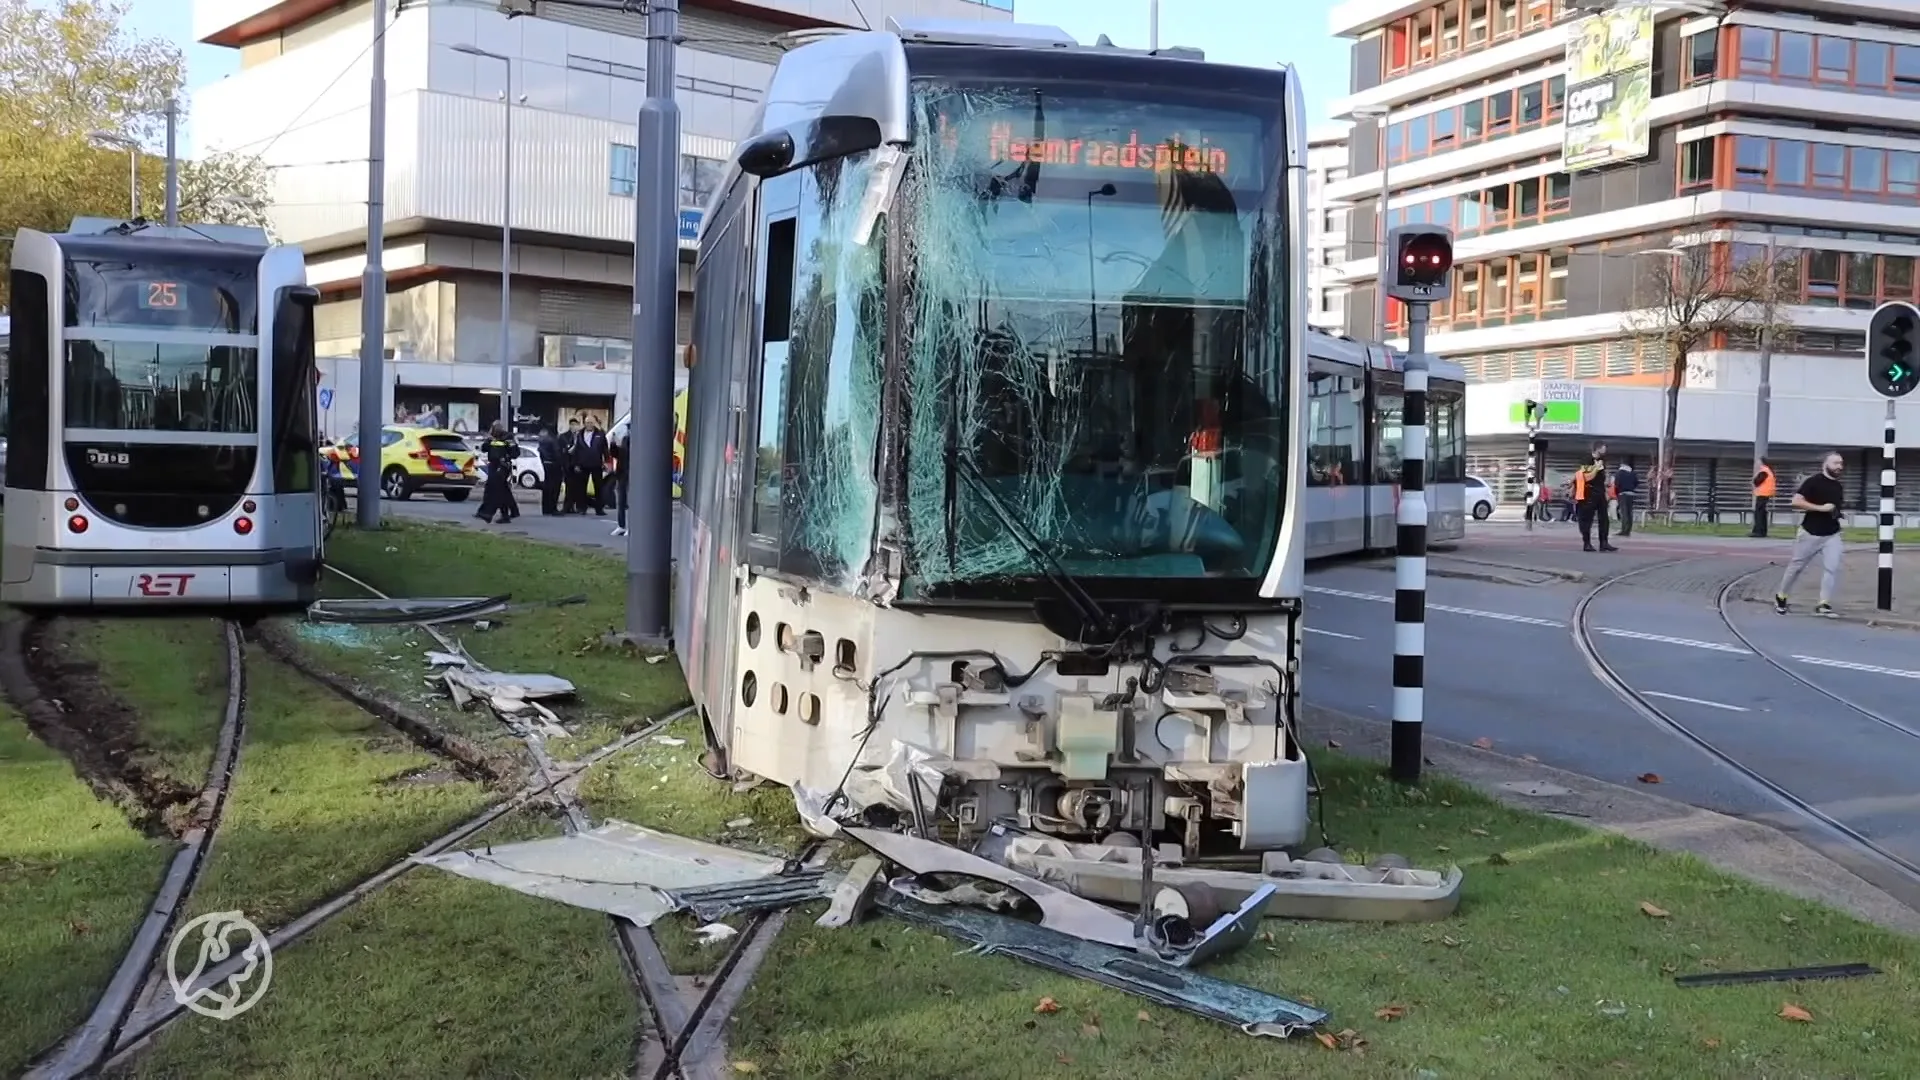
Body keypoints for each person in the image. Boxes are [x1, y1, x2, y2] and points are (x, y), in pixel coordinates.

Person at [1774, 452, 1846, 618]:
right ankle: (1781, 596)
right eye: (1836, 463)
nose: (1839, 467)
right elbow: (1796, 501)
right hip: (1810, 532)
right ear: (1825, 464)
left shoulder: (1838, 486)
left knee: (1832, 568)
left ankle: (1823, 604)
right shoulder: (1813, 482)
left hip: (1832, 534)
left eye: (1841, 464)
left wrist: (1838, 514)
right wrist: (1821, 508)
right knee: (1797, 567)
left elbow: (1833, 507)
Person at [1574, 443, 1616, 552]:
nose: (1605, 450)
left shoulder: (1603, 460)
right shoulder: (1586, 460)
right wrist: (1596, 468)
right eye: (1603, 448)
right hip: (1588, 492)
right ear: (1597, 449)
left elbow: (1602, 477)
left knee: (1604, 519)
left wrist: (1606, 488)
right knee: (1587, 519)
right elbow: (1586, 477)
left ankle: (1604, 543)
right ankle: (1587, 543)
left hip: (1600, 492)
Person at [476, 421, 520, 525]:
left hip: (503, 466)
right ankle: (511, 512)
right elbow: (484, 449)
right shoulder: (492, 438)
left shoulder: (508, 437)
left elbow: (515, 453)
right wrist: (488, 440)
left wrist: (506, 457)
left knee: (497, 490)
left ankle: (489, 513)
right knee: (502, 491)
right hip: (493, 465)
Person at [570, 414, 609, 516]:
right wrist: (576, 464)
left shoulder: (600, 434)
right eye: (587, 423)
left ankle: (599, 509)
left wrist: (606, 462)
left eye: (591, 422)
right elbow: (576, 450)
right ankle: (582, 508)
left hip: (596, 464)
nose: (589, 425)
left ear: (594, 423)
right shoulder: (579, 434)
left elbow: (605, 449)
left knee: (598, 487)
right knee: (581, 488)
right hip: (583, 464)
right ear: (584, 423)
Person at [560, 416, 584, 513]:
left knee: (578, 487)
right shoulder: (564, 436)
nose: (574, 427)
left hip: (579, 465)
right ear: (570, 426)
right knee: (569, 487)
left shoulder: (581, 436)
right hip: (568, 465)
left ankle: (576, 506)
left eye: (576, 425)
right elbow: (566, 451)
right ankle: (567, 506)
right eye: (572, 425)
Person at [609, 425, 631, 537]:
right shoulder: (625, 439)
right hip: (622, 473)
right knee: (621, 502)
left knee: (631, 502)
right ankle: (621, 526)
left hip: (631, 474)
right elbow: (617, 455)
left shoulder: (636, 440)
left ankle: (631, 527)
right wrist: (613, 444)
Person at [536, 425, 562, 515]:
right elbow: (557, 453)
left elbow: (540, 452)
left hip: (546, 464)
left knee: (547, 487)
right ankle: (553, 508)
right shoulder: (553, 440)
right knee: (554, 488)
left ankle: (546, 508)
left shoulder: (542, 440)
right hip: (554, 465)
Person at [1752, 460, 1777, 538]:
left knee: (1759, 513)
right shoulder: (1768, 471)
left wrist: (1755, 477)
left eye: (1758, 462)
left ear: (1762, 463)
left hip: (1762, 494)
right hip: (1766, 494)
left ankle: (1758, 531)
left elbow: (1756, 481)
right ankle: (1762, 531)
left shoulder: (1764, 471)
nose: (1756, 464)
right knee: (1762, 513)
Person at [1613, 461, 1637, 537]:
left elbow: (1616, 484)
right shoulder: (1632, 473)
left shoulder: (1619, 473)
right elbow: (1636, 482)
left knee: (1624, 512)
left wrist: (1617, 493)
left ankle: (1623, 530)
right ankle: (1628, 530)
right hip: (1631, 494)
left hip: (1622, 494)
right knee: (1629, 512)